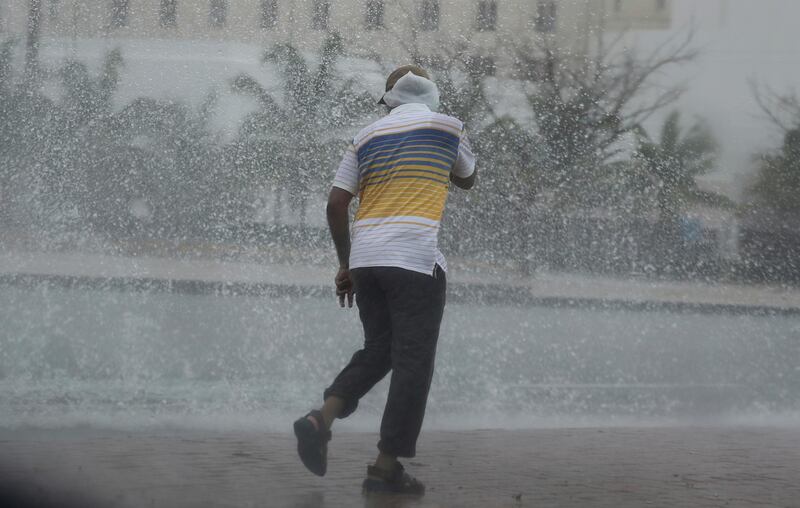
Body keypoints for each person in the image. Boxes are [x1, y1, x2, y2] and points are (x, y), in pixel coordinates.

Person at [293, 64, 476, 496]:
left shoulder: (366, 135)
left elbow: (336, 204)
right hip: (414, 259)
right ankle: (385, 467)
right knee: (413, 361)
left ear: (388, 98)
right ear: (431, 94)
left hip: (367, 260)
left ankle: (321, 419)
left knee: (380, 349)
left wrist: (345, 264)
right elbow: (468, 179)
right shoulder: (449, 127)